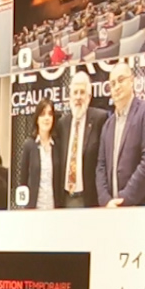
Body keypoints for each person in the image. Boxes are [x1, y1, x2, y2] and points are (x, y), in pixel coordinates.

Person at [96, 60, 145, 207]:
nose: (116, 87)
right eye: (112, 83)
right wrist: (106, 201)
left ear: (132, 81)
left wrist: (123, 200)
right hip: (113, 210)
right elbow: (101, 166)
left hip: (142, 208)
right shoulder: (107, 125)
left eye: (121, 80)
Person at [55, 69, 109, 208]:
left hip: (89, 198)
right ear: (70, 96)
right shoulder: (62, 123)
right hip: (66, 197)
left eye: (82, 92)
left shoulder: (100, 119)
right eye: (75, 92)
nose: (78, 97)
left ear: (89, 97)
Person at [17, 98, 59, 209]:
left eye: (50, 114)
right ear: (37, 119)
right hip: (34, 209)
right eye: (42, 114)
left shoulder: (57, 145)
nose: (46, 118)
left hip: (54, 208)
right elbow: (23, 180)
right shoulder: (29, 145)